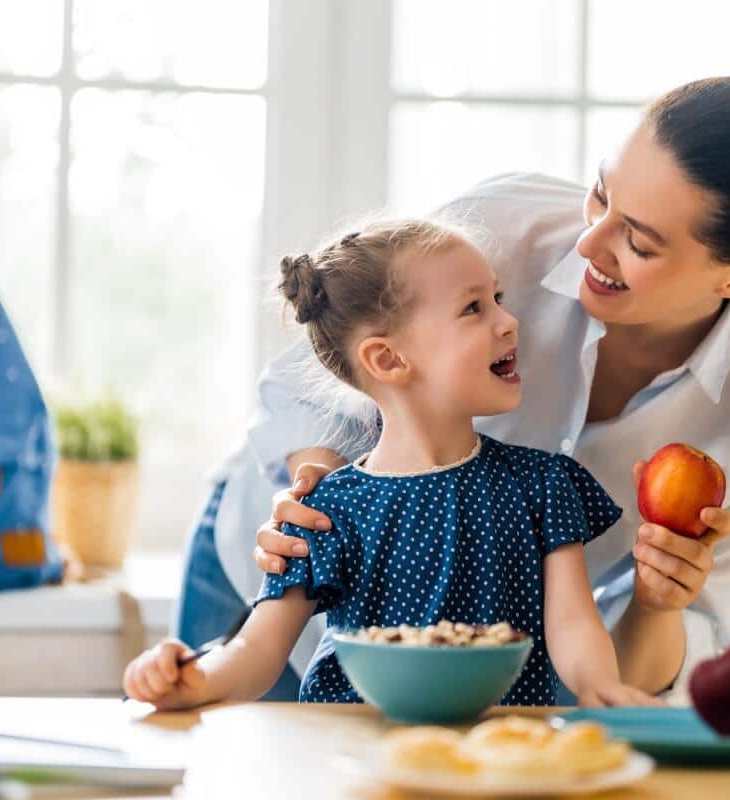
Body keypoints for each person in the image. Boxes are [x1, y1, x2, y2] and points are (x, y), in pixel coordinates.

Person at [197, 75, 730, 700]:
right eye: (600, 192)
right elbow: (313, 366)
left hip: (459, 684)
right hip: (264, 582)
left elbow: (651, 664)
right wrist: (314, 491)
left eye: (639, 244)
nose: (589, 243)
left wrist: (658, 603)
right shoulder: (497, 233)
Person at [126, 220, 660, 709]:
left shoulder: (544, 484)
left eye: (497, 297)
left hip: (496, 756)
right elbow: (255, 653)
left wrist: (601, 687)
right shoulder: (324, 510)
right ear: (387, 359)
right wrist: (188, 678)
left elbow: (571, 621)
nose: (508, 321)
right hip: (351, 757)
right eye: (475, 307)